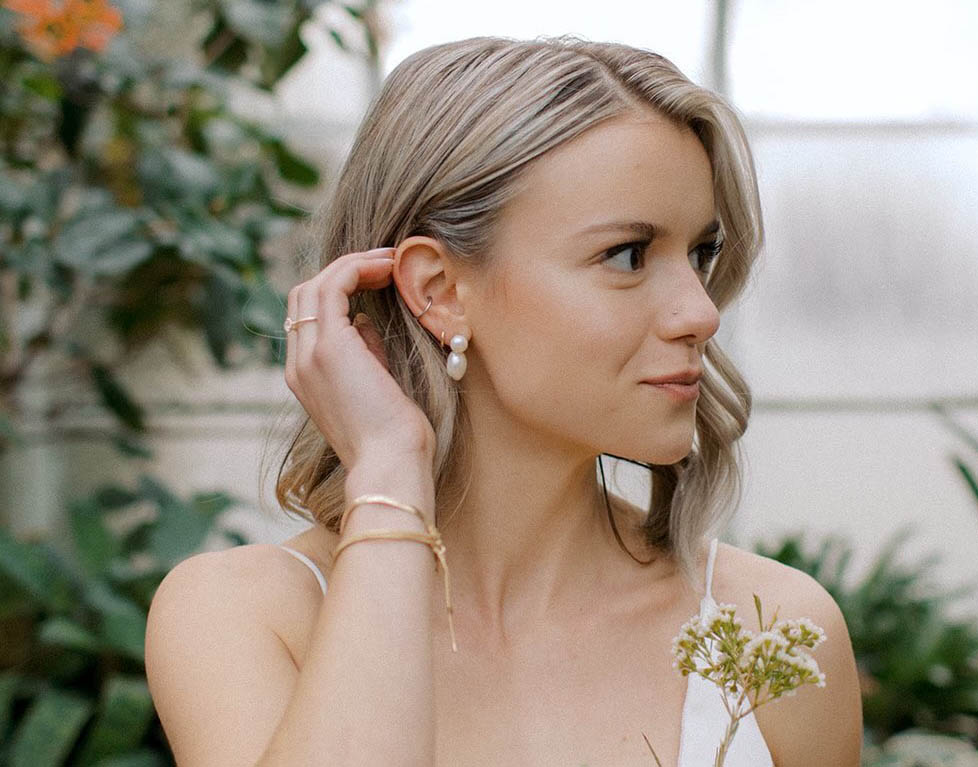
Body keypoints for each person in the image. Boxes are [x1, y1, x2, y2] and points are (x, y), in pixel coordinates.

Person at [144, 34, 863, 766]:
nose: (700, 312)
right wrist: (390, 470)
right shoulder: (245, 617)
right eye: (627, 254)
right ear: (440, 291)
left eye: (700, 254)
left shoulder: (774, 635)